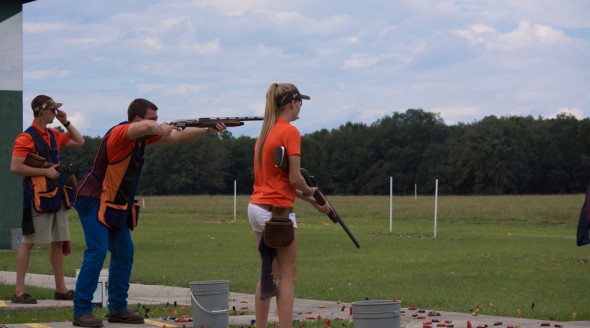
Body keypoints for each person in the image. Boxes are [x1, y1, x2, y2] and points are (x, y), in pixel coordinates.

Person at [71, 98, 227, 327]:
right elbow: (147, 128)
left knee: (125, 251)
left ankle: (117, 308)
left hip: (115, 203)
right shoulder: (121, 132)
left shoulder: (141, 137)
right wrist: (159, 126)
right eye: (151, 118)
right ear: (136, 118)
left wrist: (206, 129)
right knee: (97, 251)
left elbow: (177, 136)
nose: (155, 122)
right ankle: (81, 310)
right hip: (94, 198)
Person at [248, 83, 330, 328]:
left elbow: (281, 184)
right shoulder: (290, 132)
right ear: (292, 102)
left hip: (257, 208)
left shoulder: (265, 133)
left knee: (268, 273)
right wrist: (310, 191)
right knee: (287, 276)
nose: (300, 108)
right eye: (300, 102)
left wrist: (313, 202)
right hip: (279, 214)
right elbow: (296, 178)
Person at [10, 95, 85, 304]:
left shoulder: (54, 134)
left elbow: (80, 141)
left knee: (59, 241)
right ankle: (18, 292)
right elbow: (15, 167)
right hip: (38, 195)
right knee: (29, 242)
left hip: (57, 193)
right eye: (53, 110)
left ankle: (61, 289)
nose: (55, 113)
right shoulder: (25, 138)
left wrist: (66, 122)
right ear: (41, 110)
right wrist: (44, 172)